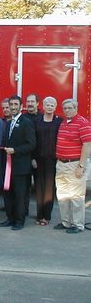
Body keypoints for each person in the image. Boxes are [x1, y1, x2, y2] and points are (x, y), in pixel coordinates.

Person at [54, 99, 91, 234]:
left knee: (76, 196)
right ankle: (66, 222)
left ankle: (77, 224)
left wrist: (81, 166)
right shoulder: (64, 123)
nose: (67, 110)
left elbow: (87, 145)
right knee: (62, 195)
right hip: (61, 164)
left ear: (76, 108)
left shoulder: (83, 123)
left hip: (74, 164)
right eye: (65, 108)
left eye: (70, 108)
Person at [0, 95, 36, 230]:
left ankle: (19, 221)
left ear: (20, 106)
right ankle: (10, 218)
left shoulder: (26, 122)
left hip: (21, 167)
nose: (13, 107)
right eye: (11, 105)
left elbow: (31, 144)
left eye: (15, 104)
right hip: (8, 166)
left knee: (20, 195)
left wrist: (15, 150)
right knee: (8, 193)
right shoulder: (8, 123)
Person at [33, 96, 62, 226]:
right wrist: (32, 158)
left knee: (49, 188)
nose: (49, 107)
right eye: (47, 104)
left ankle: (46, 216)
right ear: (43, 107)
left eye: (52, 105)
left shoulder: (59, 121)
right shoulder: (37, 121)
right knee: (39, 188)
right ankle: (39, 215)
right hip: (38, 159)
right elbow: (33, 140)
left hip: (52, 160)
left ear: (55, 107)